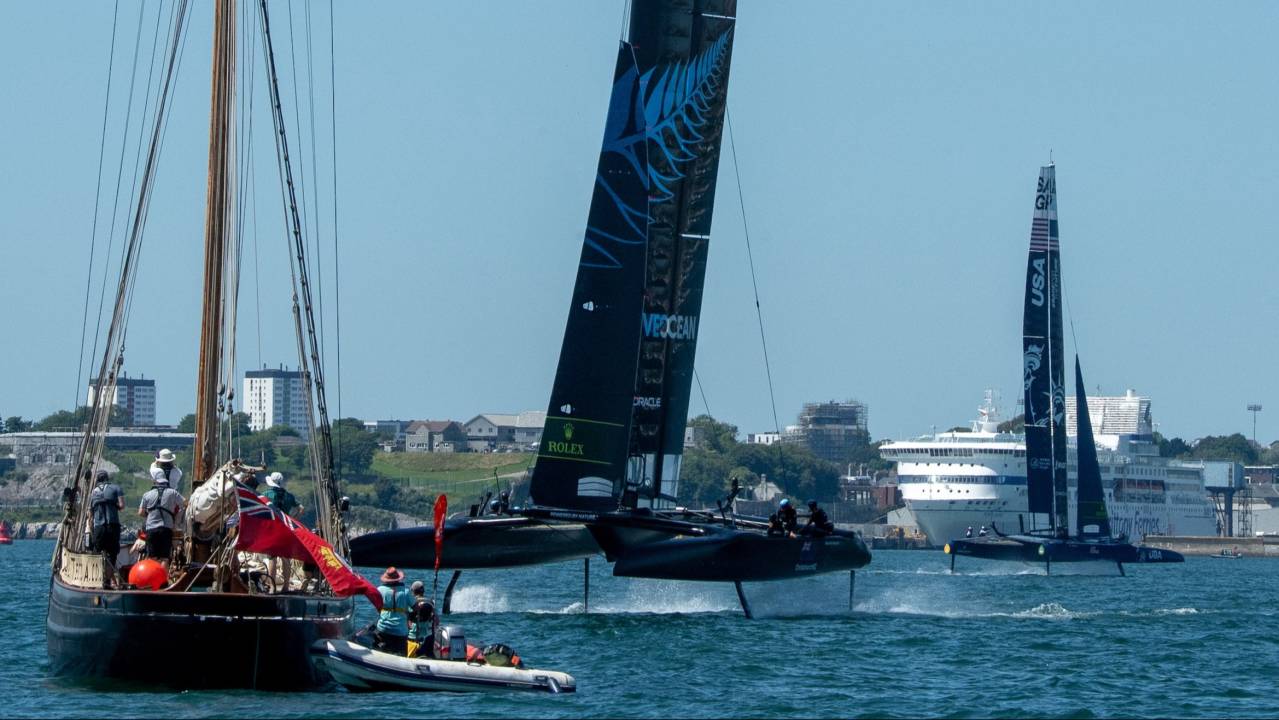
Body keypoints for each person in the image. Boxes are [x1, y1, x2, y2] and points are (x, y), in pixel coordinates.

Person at [137, 471, 184, 575]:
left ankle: (152, 580)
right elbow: (184, 504)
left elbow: (140, 512)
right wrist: (176, 520)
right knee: (164, 558)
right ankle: (162, 582)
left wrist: (150, 516)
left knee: (152, 557)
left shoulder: (147, 494)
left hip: (151, 529)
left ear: (155, 482)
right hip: (166, 528)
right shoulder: (173, 492)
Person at [263, 472, 301, 590]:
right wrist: (293, 520)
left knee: (272, 558)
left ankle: (272, 586)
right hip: (286, 529)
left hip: (273, 529)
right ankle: (285, 587)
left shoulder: (266, 494)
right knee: (286, 559)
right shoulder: (289, 496)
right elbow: (301, 508)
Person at [89, 469, 125, 588]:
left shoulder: (93, 493)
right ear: (107, 478)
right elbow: (122, 506)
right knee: (112, 554)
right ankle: (107, 582)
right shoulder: (116, 488)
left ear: (98, 479)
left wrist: (92, 529)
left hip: (99, 527)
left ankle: (96, 580)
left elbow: (90, 515)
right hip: (112, 525)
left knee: (97, 553)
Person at [374, 567, 412, 656]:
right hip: (401, 631)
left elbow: (377, 606)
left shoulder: (379, 590)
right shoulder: (406, 592)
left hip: (383, 628)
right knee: (401, 655)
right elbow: (416, 608)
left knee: (380, 652)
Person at [406, 580, 436, 658]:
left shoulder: (412, 603)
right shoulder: (430, 603)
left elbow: (407, 620)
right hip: (425, 638)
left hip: (412, 638)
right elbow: (436, 621)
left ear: (413, 591)